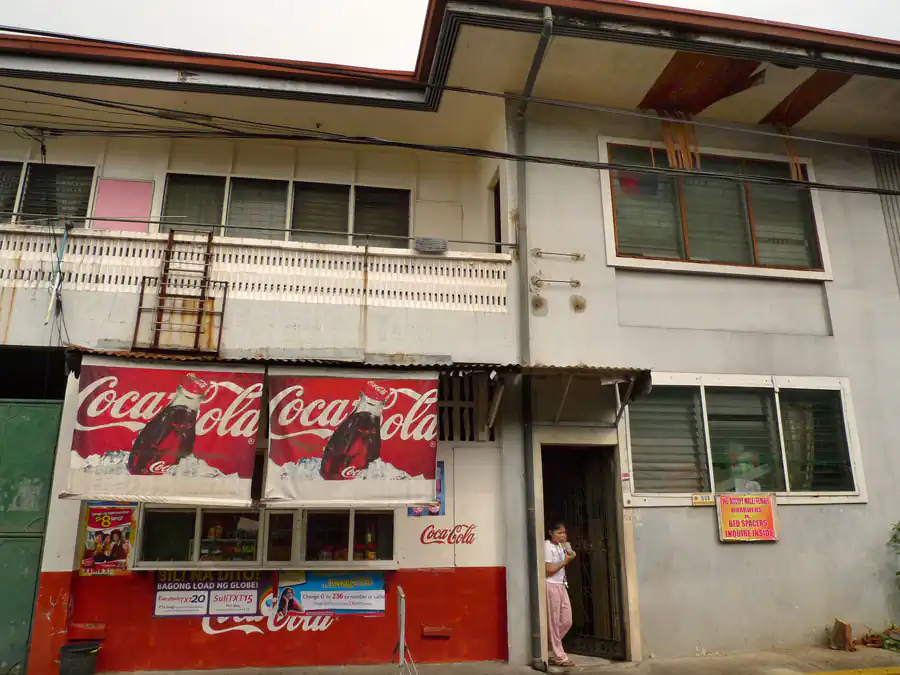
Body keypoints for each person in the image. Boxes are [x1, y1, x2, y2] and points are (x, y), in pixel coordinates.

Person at [545, 520, 576, 668]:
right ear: (551, 532)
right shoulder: (547, 546)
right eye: (559, 533)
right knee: (553, 622)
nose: (562, 535)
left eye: (564, 532)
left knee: (567, 620)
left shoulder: (561, 546)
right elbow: (549, 570)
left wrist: (567, 548)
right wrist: (566, 562)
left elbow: (571, 555)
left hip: (562, 585)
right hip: (551, 585)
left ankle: (547, 647)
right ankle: (560, 657)